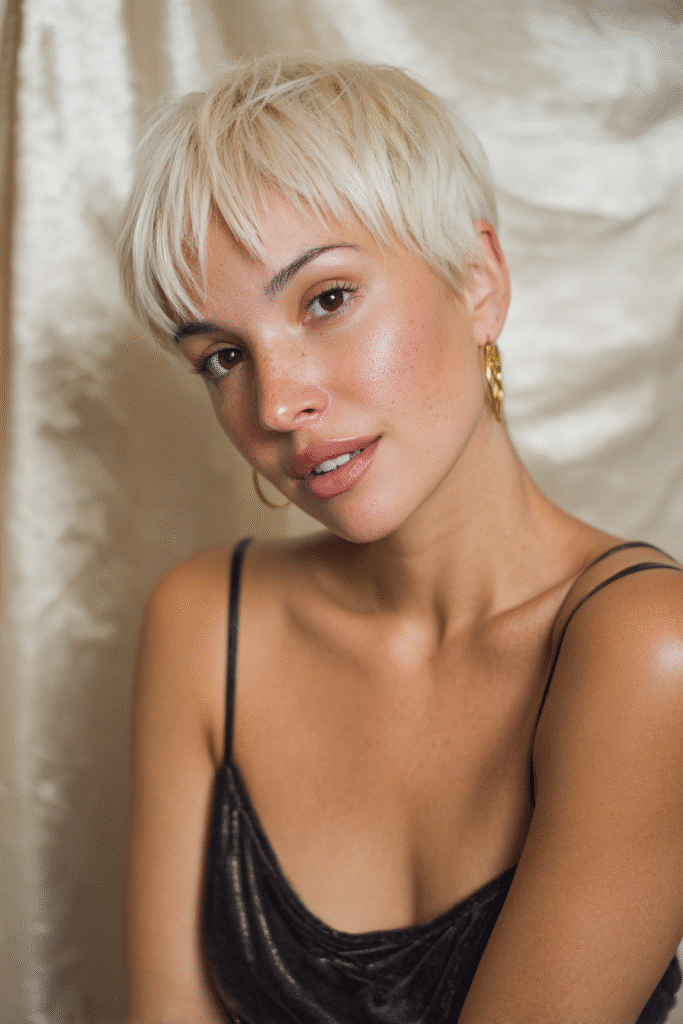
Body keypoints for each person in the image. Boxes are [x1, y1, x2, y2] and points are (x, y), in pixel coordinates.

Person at [118, 55, 683, 1024]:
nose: (279, 400)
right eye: (221, 356)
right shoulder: (208, 620)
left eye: (325, 299)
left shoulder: (644, 648)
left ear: (476, 281)